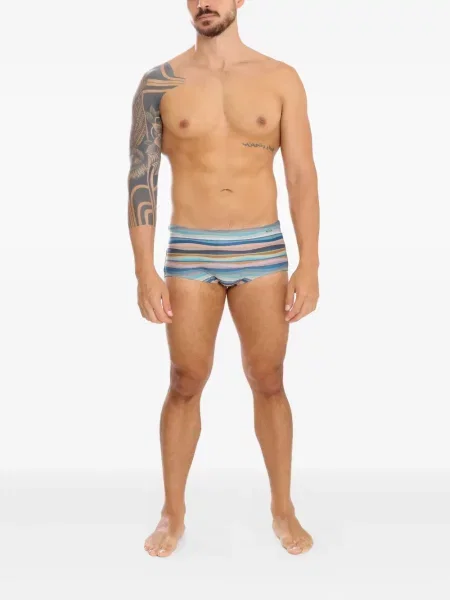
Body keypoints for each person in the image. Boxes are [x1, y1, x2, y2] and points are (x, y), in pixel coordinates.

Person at [127, 0, 320, 558]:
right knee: (185, 380)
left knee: (269, 380)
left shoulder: (280, 78)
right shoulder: (159, 83)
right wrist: (144, 269)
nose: (203, 2)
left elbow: (301, 174)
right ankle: (173, 511)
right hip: (191, 249)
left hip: (262, 249)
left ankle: (282, 508)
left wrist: (310, 262)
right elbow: (141, 176)